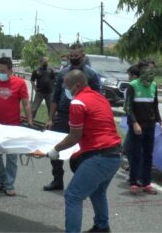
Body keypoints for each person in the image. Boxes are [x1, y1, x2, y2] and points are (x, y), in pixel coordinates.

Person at [46, 69, 121, 233]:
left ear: (77, 86)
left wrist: (55, 149)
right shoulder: (100, 98)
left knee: (73, 196)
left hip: (99, 156)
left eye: (67, 87)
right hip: (115, 155)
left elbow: (74, 136)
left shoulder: (78, 103)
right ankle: (102, 227)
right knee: (97, 191)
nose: (66, 91)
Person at [44, 44, 101, 191]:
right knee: (56, 147)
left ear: (83, 56)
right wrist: (50, 118)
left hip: (84, 117)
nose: (74, 59)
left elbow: (97, 99)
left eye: (77, 57)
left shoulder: (91, 75)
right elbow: (55, 98)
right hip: (63, 115)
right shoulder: (62, 74)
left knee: (80, 151)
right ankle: (57, 179)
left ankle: (80, 182)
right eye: (72, 56)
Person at [0, 57, 33, 196]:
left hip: (13, 126)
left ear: (11, 71)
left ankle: (9, 184)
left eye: (3, 71)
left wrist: (30, 121)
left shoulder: (20, 83)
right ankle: (1, 180)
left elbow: (26, 103)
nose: (0, 73)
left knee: (11, 157)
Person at [125, 59, 161, 195]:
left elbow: (154, 105)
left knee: (148, 155)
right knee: (136, 154)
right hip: (137, 126)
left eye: (153, 70)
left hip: (150, 125)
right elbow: (128, 107)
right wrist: (134, 123)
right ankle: (134, 182)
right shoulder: (133, 85)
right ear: (141, 71)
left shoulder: (153, 86)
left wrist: (160, 121)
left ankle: (146, 183)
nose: (150, 73)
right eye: (148, 70)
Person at [121, 64, 140, 172]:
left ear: (134, 76)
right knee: (129, 148)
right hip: (133, 121)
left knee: (128, 148)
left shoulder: (132, 87)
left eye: (129, 75)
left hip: (135, 121)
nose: (128, 78)